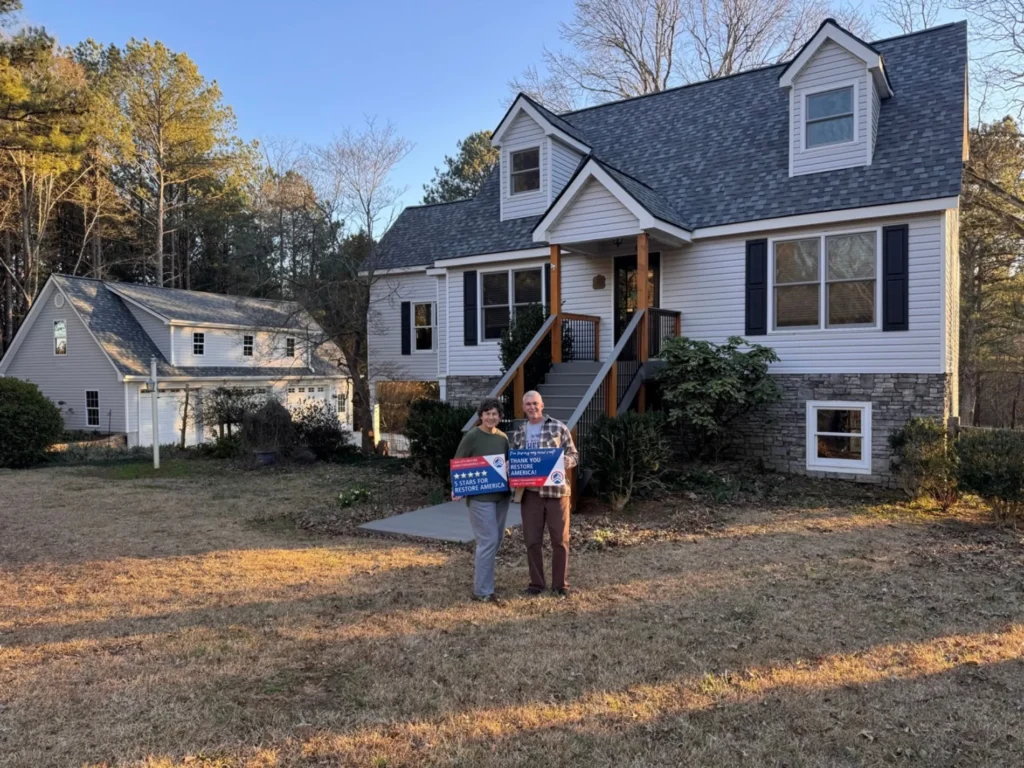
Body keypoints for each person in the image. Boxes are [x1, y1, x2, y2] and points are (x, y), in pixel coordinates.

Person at [510, 390, 579, 598]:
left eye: (535, 403)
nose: (532, 407)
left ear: (542, 405)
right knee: (532, 540)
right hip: (530, 494)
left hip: (556, 492)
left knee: (560, 540)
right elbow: (514, 461)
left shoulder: (558, 427)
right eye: (528, 404)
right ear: (523, 407)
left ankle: (560, 584)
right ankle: (536, 583)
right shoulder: (519, 432)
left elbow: (574, 454)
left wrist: (566, 461)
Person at [453, 398, 511, 603]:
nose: (491, 417)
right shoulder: (472, 436)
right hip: (480, 499)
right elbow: (459, 462)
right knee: (488, 540)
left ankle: (486, 581)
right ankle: (482, 591)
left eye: (495, 414)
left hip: (501, 497)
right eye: (487, 414)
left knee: (496, 540)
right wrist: (457, 487)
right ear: (481, 416)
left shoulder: (503, 438)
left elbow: (507, 463)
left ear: (500, 417)